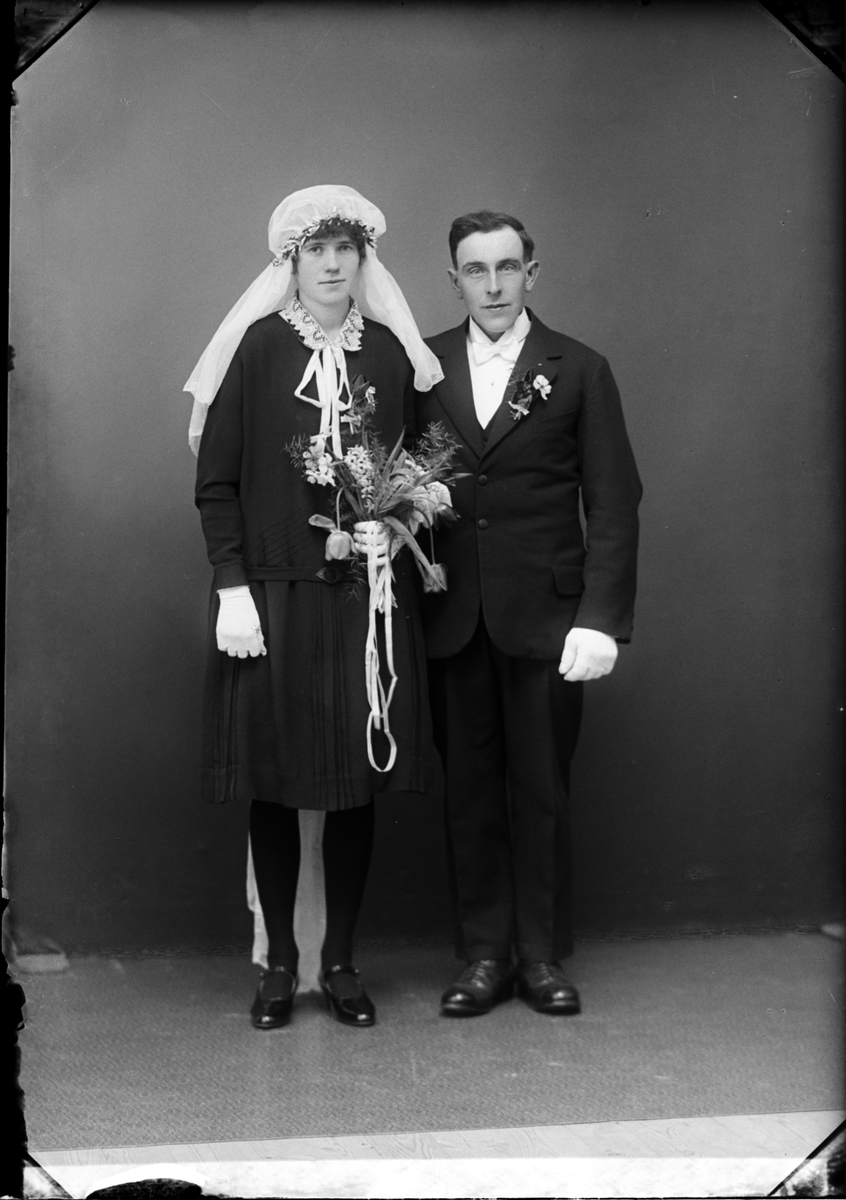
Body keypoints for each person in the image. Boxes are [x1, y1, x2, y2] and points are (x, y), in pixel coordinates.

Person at [186, 185, 442, 1030]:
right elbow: (216, 482)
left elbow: (420, 471)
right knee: (275, 779)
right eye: (316, 251)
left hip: (366, 599)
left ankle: (339, 961)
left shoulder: (391, 356)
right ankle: (280, 966)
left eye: (345, 250)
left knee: (356, 783)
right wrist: (232, 585)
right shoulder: (258, 349)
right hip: (275, 597)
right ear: (291, 262)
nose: (332, 265)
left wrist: (394, 526)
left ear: (364, 259)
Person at [416, 210, 642, 1017]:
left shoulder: (578, 368)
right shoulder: (421, 367)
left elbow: (614, 502)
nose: (493, 285)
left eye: (507, 268)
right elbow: (397, 484)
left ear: (531, 274)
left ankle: (541, 956)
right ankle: (484, 956)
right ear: (454, 280)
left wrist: (599, 618)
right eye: (475, 271)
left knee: (541, 788)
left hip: (548, 619)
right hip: (452, 615)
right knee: (469, 792)